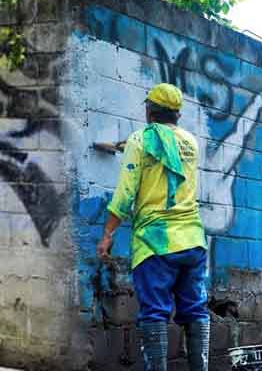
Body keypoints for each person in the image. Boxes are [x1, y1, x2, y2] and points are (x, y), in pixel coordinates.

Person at [96, 83, 209, 371]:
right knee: (195, 311)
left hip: (156, 244)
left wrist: (107, 233)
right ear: (177, 114)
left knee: (155, 315)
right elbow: (165, 153)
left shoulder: (141, 141)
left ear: (149, 110)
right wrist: (129, 146)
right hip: (193, 241)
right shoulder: (191, 142)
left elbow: (124, 195)